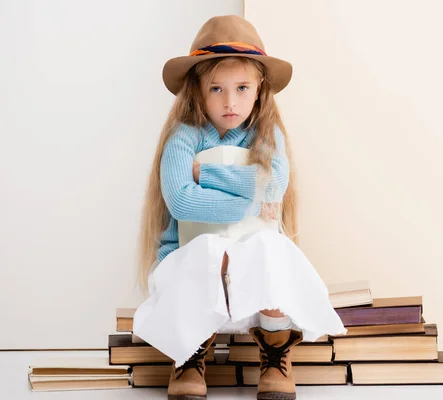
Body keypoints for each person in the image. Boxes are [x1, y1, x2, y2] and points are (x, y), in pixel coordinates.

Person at [132, 15, 346, 400]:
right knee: (207, 251)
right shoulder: (184, 137)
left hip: (250, 273)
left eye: (242, 87)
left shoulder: (268, 135)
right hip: (189, 264)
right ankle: (191, 352)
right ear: (197, 89)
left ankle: (276, 352)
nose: (230, 102)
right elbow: (181, 200)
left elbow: (275, 183)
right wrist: (250, 199)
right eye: (216, 88)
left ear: (260, 88)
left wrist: (205, 174)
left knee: (270, 249)